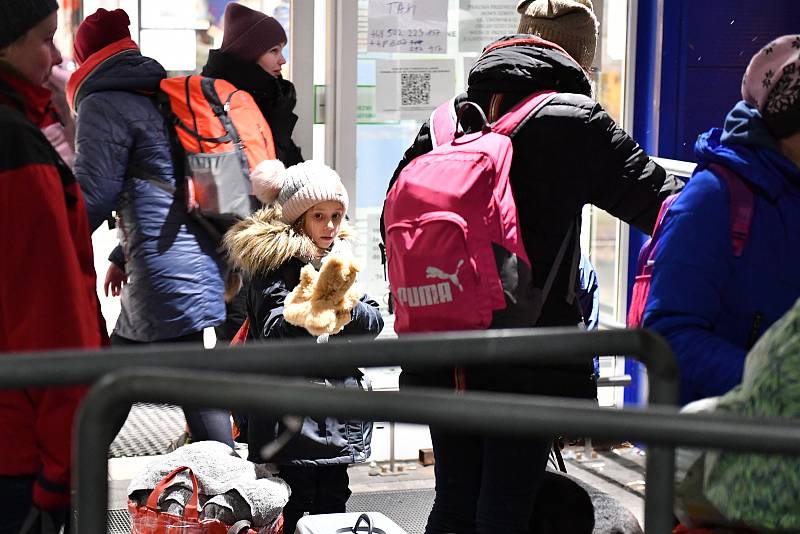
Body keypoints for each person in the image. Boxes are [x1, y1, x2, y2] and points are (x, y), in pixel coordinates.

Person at [381, 1, 683, 532]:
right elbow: (665, 206)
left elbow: (392, 218)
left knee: (453, 501)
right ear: (580, 58)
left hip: (440, 347)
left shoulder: (450, 120)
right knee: (505, 507)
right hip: (529, 352)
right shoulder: (577, 123)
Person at [67, 8, 233, 447]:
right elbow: (162, 183)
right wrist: (121, 255)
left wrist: (47, 241)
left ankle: (66, 485)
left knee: (115, 386)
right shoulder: (155, 93)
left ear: (84, 56)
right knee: (190, 386)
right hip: (193, 258)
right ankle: (234, 491)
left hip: (164, 271)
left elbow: (96, 193)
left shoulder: (103, 102)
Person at [224, 160, 383, 534]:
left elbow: (372, 320)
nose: (330, 226)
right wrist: (318, 305)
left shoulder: (339, 261)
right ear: (298, 220)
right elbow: (274, 328)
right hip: (290, 421)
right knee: (291, 505)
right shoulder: (274, 267)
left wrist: (343, 304)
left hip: (335, 416)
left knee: (334, 504)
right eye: (319, 216)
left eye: (337, 215)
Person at [643, 34, 800, 405]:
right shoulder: (715, 197)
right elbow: (669, 335)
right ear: (785, 120)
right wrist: (773, 384)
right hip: (719, 441)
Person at [0, 1, 106, 531]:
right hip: (18, 450)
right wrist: (62, 469)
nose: (58, 53)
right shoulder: (17, 144)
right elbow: (49, 311)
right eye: (45, 39)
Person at [201, 2, 305, 343]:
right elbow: (219, 189)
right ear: (248, 54)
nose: (282, 60)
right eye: (273, 50)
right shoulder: (220, 102)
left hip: (271, 241)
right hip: (236, 247)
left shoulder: (270, 97)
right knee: (241, 337)